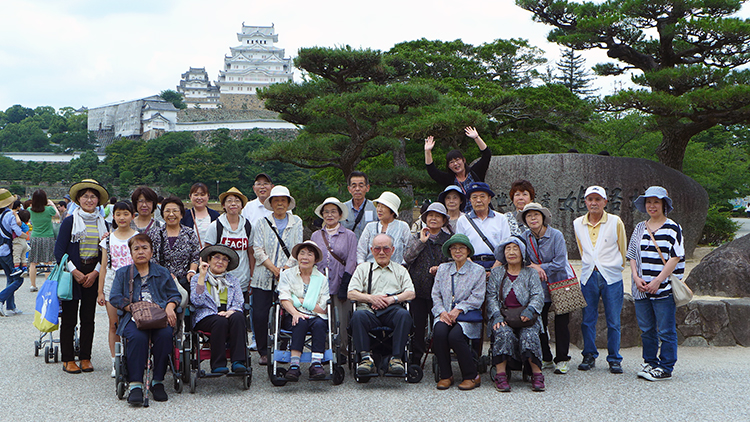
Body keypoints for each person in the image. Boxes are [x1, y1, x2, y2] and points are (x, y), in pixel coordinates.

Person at [109, 234, 180, 405]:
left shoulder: (162, 272)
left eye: (144, 248)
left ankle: (157, 381)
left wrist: (170, 307)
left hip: (159, 316)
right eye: (136, 249)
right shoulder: (122, 273)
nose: (140, 252)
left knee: (165, 335)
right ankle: (135, 384)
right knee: (137, 337)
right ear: (131, 253)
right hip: (133, 317)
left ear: (151, 251)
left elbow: (174, 294)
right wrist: (132, 308)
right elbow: (115, 297)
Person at [627, 186, 684, 381]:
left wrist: (658, 280)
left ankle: (666, 366)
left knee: (666, 330)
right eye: (649, 202)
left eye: (656, 202)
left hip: (663, 288)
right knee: (646, 329)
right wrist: (636, 277)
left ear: (664, 204)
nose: (652, 206)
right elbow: (632, 254)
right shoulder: (640, 227)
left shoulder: (673, 228)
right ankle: (650, 362)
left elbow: (675, 257)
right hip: (641, 288)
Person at [54, 179, 109, 374]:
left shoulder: (103, 223)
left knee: (88, 318)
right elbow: (59, 251)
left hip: (93, 272)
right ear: (78, 199)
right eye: (85, 196)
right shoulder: (70, 221)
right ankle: (68, 358)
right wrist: (75, 271)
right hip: (73, 273)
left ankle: (85, 357)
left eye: (93, 196)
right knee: (69, 318)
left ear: (98, 200)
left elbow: (105, 252)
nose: (89, 200)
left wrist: (95, 272)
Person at [573, 186, 627, 374]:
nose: (594, 203)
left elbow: (622, 247)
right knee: (587, 319)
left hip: (611, 276)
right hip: (588, 275)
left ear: (605, 201)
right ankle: (589, 355)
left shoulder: (615, 221)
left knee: (613, 320)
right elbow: (582, 249)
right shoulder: (578, 223)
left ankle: (614, 358)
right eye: (590, 199)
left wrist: (615, 267)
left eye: (598, 199)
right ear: (585, 202)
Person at [518, 202, 574, 374]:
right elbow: (523, 261)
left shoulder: (556, 235)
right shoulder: (524, 237)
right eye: (528, 216)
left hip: (561, 282)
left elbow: (560, 263)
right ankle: (546, 357)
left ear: (543, 217)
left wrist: (539, 267)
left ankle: (562, 359)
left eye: (536, 215)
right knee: (539, 321)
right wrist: (533, 267)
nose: (532, 218)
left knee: (562, 323)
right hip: (538, 286)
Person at [349, 233, 416, 376]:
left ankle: (396, 359)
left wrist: (392, 299)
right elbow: (351, 293)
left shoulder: (400, 270)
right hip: (369, 311)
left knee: (404, 315)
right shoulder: (363, 268)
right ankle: (365, 359)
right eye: (377, 248)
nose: (381, 252)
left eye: (386, 248)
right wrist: (371, 298)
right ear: (371, 250)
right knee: (357, 316)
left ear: (392, 250)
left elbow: (411, 293)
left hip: (392, 310)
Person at [251, 185, 303, 365]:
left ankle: (283, 348)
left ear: (288, 203)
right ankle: (263, 351)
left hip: (288, 275)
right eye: (276, 200)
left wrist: (285, 269)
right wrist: (274, 269)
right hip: (263, 276)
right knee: (260, 314)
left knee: (287, 312)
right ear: (271, 203)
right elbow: (257, 249)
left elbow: (297, 248)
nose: (280, 203)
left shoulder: (296, 221)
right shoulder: (262, 222)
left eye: (283, 200)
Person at [487, 236, 546, 392]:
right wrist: (496, 316)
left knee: (529, 334)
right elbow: (491, 297)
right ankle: (500, 375)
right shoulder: (497, 273)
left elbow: (538, 295)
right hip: (503, 316)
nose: (511, 252)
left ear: (522, 252)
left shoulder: (531, 273)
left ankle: (537, 374)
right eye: (508, 249)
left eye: (515, 248)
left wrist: (530, 310)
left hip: (527, 317)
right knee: (503, 333)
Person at [431, 234, 485, 390]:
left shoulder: (478, 270)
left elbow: (477, 297)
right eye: (454, 248)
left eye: (462, 248)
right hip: (445, 314)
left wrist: (459, 309)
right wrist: (442, 311)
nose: (457, 251)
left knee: (455, 336)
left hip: (466, 315)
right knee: (439, 332)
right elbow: (436, 294)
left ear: (468, 251)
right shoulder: (443, 269)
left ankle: (471, 375)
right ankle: (446, 375)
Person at [403, 202, 452, 364]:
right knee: (417, 326)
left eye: (438, 216)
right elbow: (407, 257)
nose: (433, 219)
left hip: (441, 291)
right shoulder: (416, 237)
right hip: (418, 289)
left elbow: (454, 262)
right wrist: (421, 241)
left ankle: (440, 358)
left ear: (444, 220)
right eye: (430, 215)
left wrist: (441, 269)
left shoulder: (449, 239)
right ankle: (416, 359)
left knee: (439, 325)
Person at [190, 244, 247, 375]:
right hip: (206, 314)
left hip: (228, 311)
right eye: (217, 257)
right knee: (220, 321)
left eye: (225, 259)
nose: (220, 261)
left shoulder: (233, 280)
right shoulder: (197, 278)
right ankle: (218, 364)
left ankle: (238, 361)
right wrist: (202, 276)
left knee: (238, 317)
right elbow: (197, 301)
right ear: (209, 260)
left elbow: (239, 301)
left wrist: (231, 311)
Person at [310, 197, 357, 353]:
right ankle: (323, 351)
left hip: (341, 281)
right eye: (326, 212)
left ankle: (341, 351)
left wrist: (345, 283)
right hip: (320, 283)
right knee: (321, 318)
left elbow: (352, 260)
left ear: (340, 214)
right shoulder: (316, 236)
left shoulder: (349, 235)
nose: (329, 215)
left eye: (333, 212)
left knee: (341, 320)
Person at [277, 241, 330, 380]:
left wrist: (301, 301)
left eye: (310, 254)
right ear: (297, 256)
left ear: (315, 259)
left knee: (320, 324)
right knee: (299, 321)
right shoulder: (287, 275)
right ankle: (294, 365)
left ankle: (316, 363)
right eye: (302, 253)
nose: (305, 257)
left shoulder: (322, 279)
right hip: (292, 315)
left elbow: (323, 308)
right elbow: (284, 298)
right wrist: (295, 313)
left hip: (316, 316)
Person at [424, 127, 492, 213]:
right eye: (451, 162)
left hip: (482, 213)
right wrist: (428, 151)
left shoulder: (475, 172)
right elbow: (432, 171)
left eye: (457, 160)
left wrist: (476, 138)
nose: (455, 164)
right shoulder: (449, 179)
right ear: (449, 166)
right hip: (461, 217)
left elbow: (487, 155)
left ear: (464, 160)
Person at [204, 187, 256, 299]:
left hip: (242, 279)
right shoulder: (215, 226)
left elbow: (251, 252)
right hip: (218, 280)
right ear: (223, 205)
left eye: (237, 201)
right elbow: (207, 252)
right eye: (229, 201)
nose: (233, 204)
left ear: (242, 206)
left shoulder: (248, 226)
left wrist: (252, 275)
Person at [455, 182, 510, 272]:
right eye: (474, 197)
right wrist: (473, 269)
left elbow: (506, 245)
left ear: (489, 199)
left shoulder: (501, 218)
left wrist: (494, 268)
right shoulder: (463, 220)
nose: (478, 200)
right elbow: (460, 247)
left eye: (482, 196)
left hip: (497, 264)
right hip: (471, 265)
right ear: (470, 200)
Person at [148, 197, 200, 291]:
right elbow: (151, 257)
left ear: (181, 214)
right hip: (160, 282)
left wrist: (192, 271)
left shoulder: (189, 233)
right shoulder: (155, 233)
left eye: (175, 211)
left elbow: (195, 255)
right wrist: (164, 274)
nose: (171, 214)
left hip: (184, 282)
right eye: (167, 211)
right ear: (162, 214)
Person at [356, 191, 410, 265]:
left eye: (383, 207)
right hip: (371, 269)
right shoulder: (370, 227)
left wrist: (401, 267)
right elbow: (361, 251)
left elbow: (409, 250)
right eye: (378, 206)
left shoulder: (403, 227)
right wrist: (362, 266)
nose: (379, 209)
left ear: (392, 211)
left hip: (395, 269)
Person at [28, 189, 60, 292]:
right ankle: (47, 285)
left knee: (33, 262)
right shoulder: (49, 210)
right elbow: (57, 214)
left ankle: (33, 285)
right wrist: (52, 204)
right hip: (47, 237)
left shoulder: (29, 210)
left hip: (35, 237)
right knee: (48, 261)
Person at [0, 188, 24, 317]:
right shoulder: (10, 215)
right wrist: (25, 235)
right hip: (10, 251)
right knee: (18, 279)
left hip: (1, 251)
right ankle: (1, 298)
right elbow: (18, 231)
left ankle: (11, 306)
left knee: (10, 278)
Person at [180, 182, 220, 247]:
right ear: (190, 196)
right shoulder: (184, 216)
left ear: (208, 196)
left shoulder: (215, 216)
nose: (199, 198)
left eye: (202, 195)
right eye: (196, 195)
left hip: (211, 252)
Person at [341, 171, 378, 240]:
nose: (357, 189)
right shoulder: (342, 209)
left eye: (361, 186)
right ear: (349, 189)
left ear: (367, 188)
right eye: (354, 186)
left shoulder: (375, 208)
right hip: (349, 246)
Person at [11, 209, 31, 280]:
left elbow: (18, 222)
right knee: (23, 257)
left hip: (18, 242)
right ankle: (24, 268)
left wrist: (16, 215)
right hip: (24, 242)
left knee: (16, 255)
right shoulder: (26, 226)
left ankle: (16, 268)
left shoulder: (21, 224)